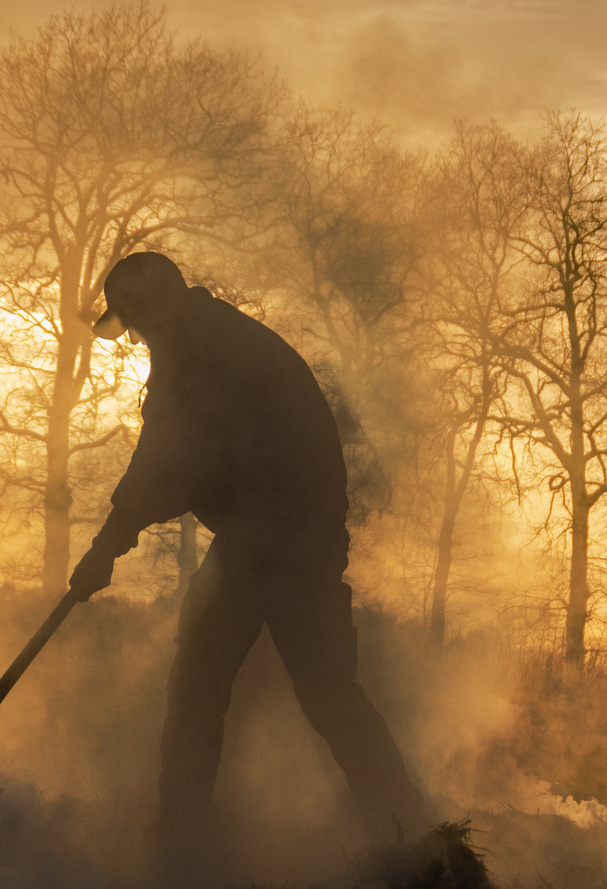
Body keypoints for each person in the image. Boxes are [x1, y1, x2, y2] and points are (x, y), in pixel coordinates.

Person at [69, 251, 432, 850]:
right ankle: (414, 834)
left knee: (199, 684)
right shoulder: (217, 336)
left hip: (273, 532)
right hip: (296, 531)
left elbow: (164, 461)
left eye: (133, 324)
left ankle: (181, 846)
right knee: (328, 692)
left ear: (150, 311)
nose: (133, 339)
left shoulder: (194, 357)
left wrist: (106, 548)